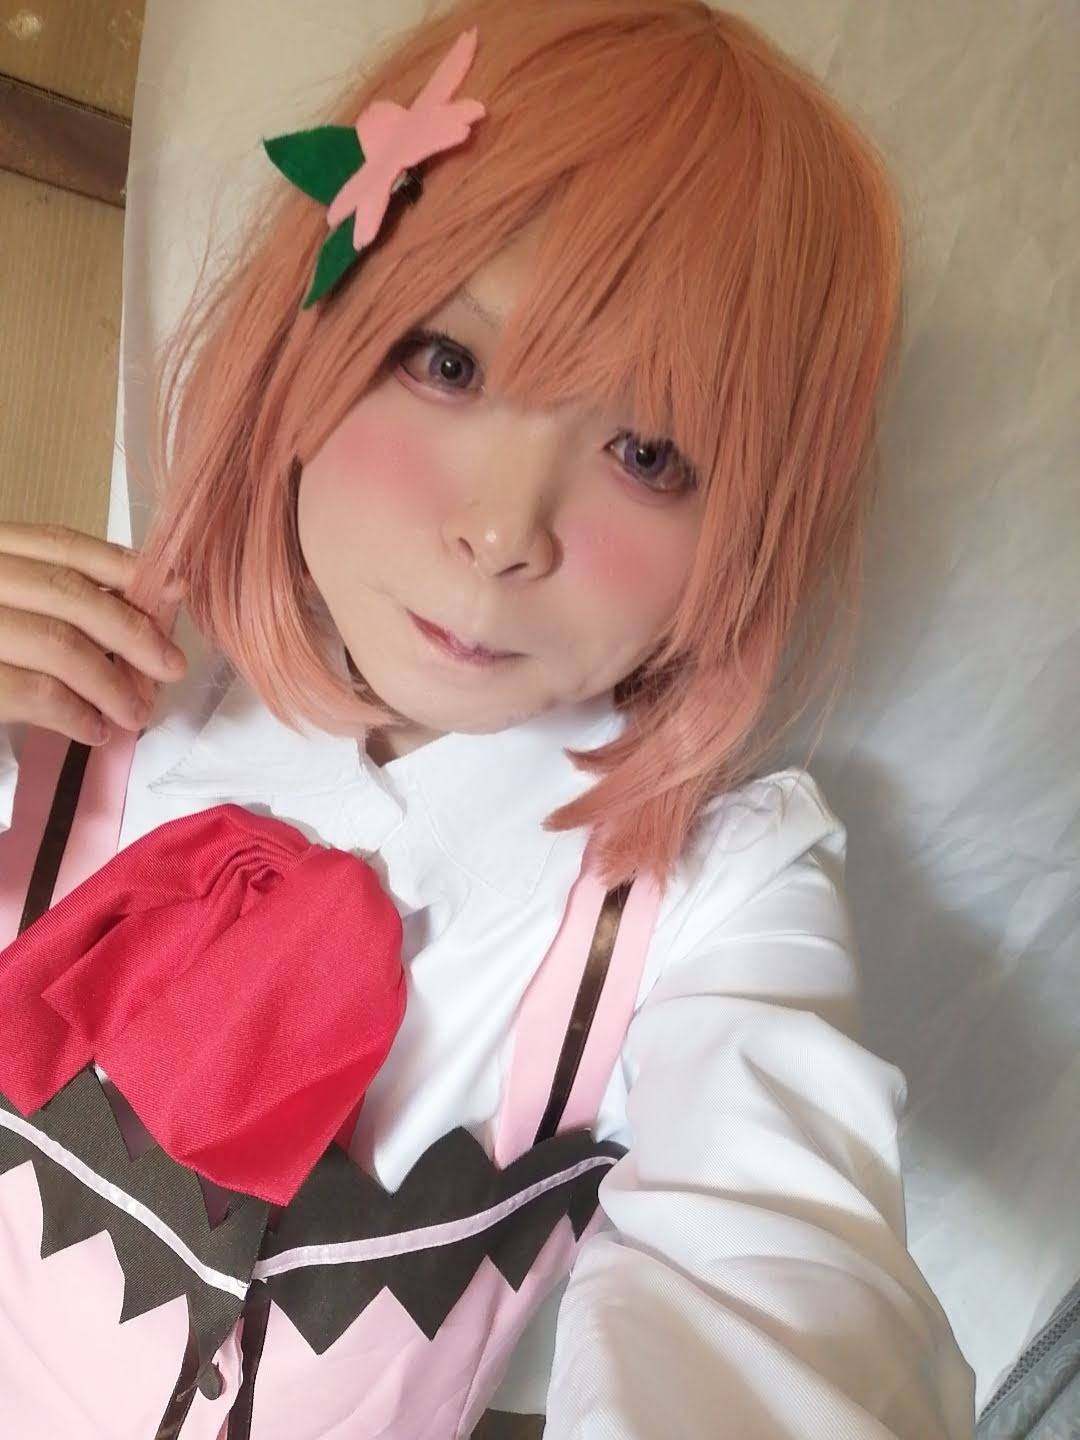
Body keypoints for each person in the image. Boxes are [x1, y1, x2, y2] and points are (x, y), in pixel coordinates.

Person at [0, 0, 977, 1435]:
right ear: (311, 336)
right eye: (447, 363)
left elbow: (777, 1277)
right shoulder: (67, 684)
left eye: (649, 451)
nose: (505, 530)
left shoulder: (712, 900)